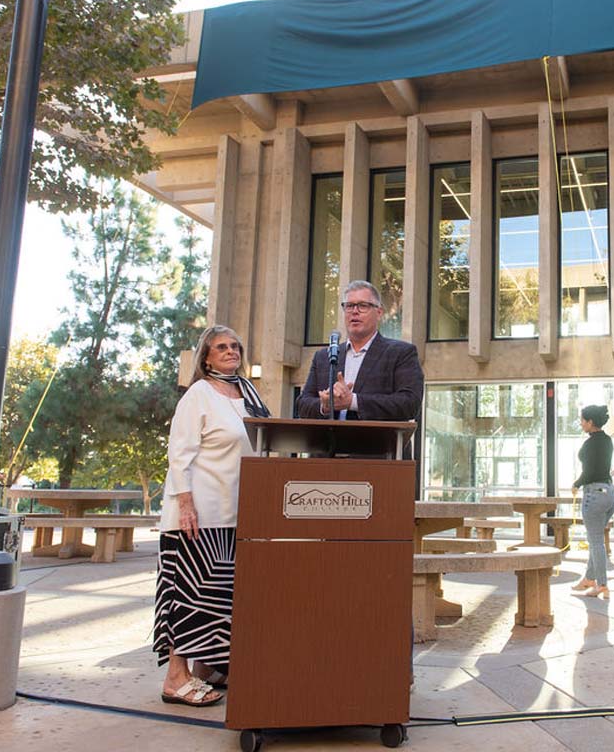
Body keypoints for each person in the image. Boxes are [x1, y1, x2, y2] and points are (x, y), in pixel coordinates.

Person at [154, 325, 269, 707]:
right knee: (187, 596)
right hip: (197, 515)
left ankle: (209, 670)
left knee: (219, 598)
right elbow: (179, 454)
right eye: (221, 347)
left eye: (235, 346)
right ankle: (175, 678)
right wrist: (186, 504)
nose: (231, 351)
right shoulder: (198, 395)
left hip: (234, 515)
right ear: (206, 357)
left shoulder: (248, 393)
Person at [297, 280, 424, 423]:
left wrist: (353, 401)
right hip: (327, 437)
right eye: (349, 306)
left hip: (376, 438)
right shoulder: (324, 357)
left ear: (379, 313)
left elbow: (410, 403)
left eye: (363, 306)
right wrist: (325, 405)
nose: (355, 311)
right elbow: (302, 405)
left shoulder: (401, 353)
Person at [571, 404, 614, 599]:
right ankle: (589, 579)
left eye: (582, 420)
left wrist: (576, 484)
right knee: (595, 538)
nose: (581, 423)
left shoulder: (590, 444)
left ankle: (602, 585)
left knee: (596, 541)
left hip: (594, 495)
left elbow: (589, 472)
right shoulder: (607, 440)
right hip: (610, 494)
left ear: (590, 422)